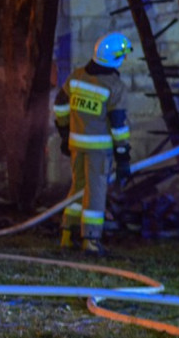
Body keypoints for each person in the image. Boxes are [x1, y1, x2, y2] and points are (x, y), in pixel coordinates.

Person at [53, 31, 133, 257]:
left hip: (76, 145)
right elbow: (118, 126)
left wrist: (64, 133)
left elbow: (59, 106)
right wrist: (123, 156)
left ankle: (67, 234)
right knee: (95, 193)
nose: (124, 60)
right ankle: (91, 239)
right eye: (123, 56)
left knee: (77, 188)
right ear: (115, 58)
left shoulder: (76, 77)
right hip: (99, 150)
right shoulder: (114, 86)